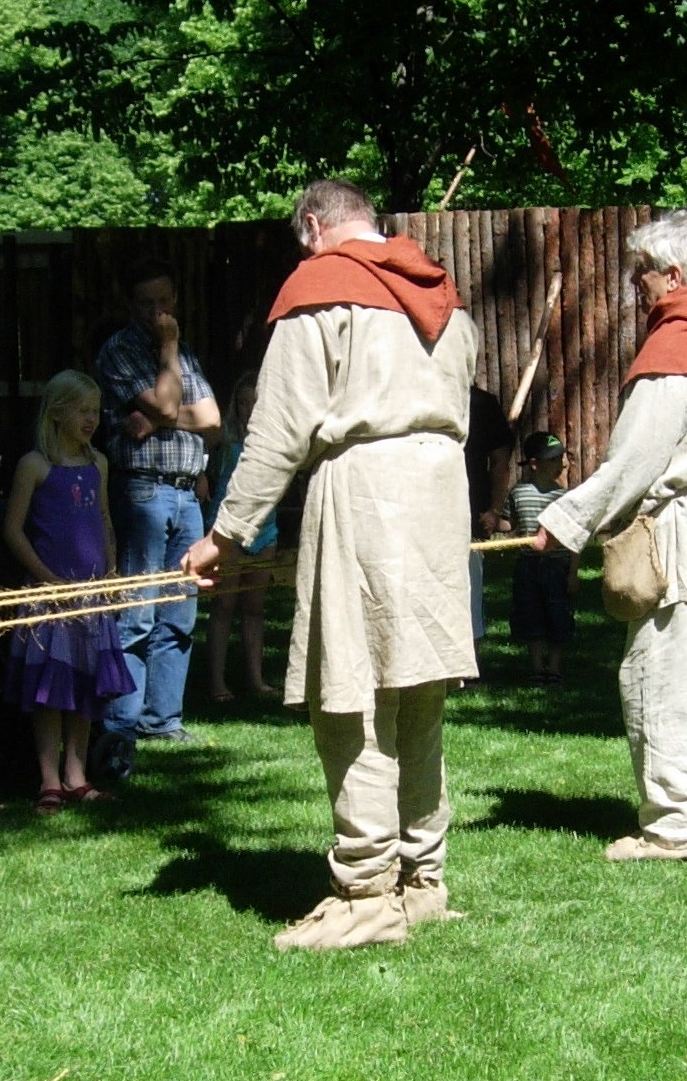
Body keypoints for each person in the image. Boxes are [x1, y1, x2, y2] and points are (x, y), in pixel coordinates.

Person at [184, 180, 478, 950]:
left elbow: (278, 427)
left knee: (351, 695)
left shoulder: (321, 287)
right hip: (440, 489)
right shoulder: (440, 293)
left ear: (314, 227)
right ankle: (423, 880)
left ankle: (368, 891)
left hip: (367, 494)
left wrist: (229, 533)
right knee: (416, 693)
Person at [534, 210, 687, 862]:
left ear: (675, 274)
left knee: (657, 679)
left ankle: (672, 826)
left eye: (643, 270)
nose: (636, 282)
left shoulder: (679, 345)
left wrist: (564, 521)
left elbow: (636, 462)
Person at [96, 258, 220, 742]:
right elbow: (174, 405)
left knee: (179, 611)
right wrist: (168, 351)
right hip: (142, 489)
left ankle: (162, 719)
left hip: (188, 491)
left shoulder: (184, 355)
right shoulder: (120, 352)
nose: (156, 312)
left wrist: (159, 419)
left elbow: (213, 420)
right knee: (138, 610)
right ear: (130, 306)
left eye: (163, 302)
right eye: (146, 304)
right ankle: (121, 722)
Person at [2, 369, 131, 812]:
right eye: (82, 410)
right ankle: (49, 779)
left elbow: (105, 521)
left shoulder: (98, 464)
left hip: (92, 598)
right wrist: (45, 578)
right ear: (57, 412)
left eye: (96, 410)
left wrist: (112, 571)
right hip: (50, 598)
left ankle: (77, 775)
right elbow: (14, 531)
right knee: (50, 691)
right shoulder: (35, 466)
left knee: (87, 686)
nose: (91, 419)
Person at [205, 372, 276, 702]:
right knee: (224, 605)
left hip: (266, 530)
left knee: (254, 608)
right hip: (229, 530)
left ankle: (256, 679)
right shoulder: (224, 438)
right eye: (243, 402)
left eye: (254, 402)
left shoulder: (272, 440)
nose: (248, 409)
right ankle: (217, 682)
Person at [504, 431, 573, 684]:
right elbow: (508, 524)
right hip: (528, 565)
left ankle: (553, 668)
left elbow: (574, 539)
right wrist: (491, 519)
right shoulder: (519, 493)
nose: (561, 464)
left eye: (561, 459)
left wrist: (573, 573)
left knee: (558, 614)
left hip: (557, 565)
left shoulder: (564, 497)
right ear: (534, 464)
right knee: (530, 612)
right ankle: (536, 667)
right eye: (554, 460)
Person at [466, 379, 517, 658]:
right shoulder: (415, 390)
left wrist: (495, 510)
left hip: (470, 510)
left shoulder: (482, 404)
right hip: (418, 508)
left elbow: (500, 460)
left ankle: (468, 663)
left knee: (469, 589)